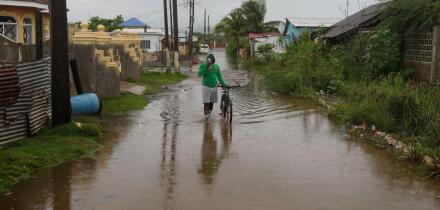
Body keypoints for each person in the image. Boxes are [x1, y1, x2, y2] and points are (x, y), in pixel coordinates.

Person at [198, 53, 227, 118]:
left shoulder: (216, 66)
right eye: (208, 60)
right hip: (206, 87)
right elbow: (199, 74)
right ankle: (206, 119)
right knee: (206, 103)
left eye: (211, 60)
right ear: (206, 60)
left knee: (212, 103)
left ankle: (209, 115)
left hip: (214, 87)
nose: (210, 62)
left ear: (213, 60)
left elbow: (219, 77)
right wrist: (206, 67)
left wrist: (224, 84)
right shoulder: (203, 65)